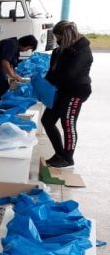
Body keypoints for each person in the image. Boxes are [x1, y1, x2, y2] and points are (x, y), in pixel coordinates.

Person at [42, 21, 93, 169]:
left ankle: (68, 158)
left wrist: (54, 78)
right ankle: (59, 153)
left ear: (66, 37)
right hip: (61, 90)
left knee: (68, 123)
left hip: (76, 90)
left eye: (58, 38)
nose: (57, 41)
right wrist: (42, 85)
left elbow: (70, 75)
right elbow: (52, 72)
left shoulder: (82, 51)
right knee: (47, 120)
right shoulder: (60, 50)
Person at [0, 35, 39, 105]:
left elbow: (11, 66)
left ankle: (8, 100)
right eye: (28, 48)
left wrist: (15, 78)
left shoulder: (15, 47)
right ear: (26, 44)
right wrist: (13, 76)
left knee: (12, 84)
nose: (26, 51)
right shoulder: (11, 45)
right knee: (3, 86)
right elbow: (5, 62)